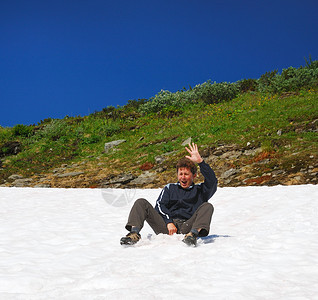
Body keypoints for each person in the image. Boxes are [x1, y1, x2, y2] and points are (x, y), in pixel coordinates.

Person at [120, 143, 218, 246]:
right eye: (180, 174)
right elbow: (159, 206)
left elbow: (212, 182)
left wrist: (200, 162)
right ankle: (134, 234)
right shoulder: (170, 188)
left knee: (207, 206)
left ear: (194, 175)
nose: (183, 177)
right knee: (141, 202)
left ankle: (192, 235)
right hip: (166, 227)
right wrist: (169, 222)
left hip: (187, 226)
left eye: (186, 174)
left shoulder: (201, 190)